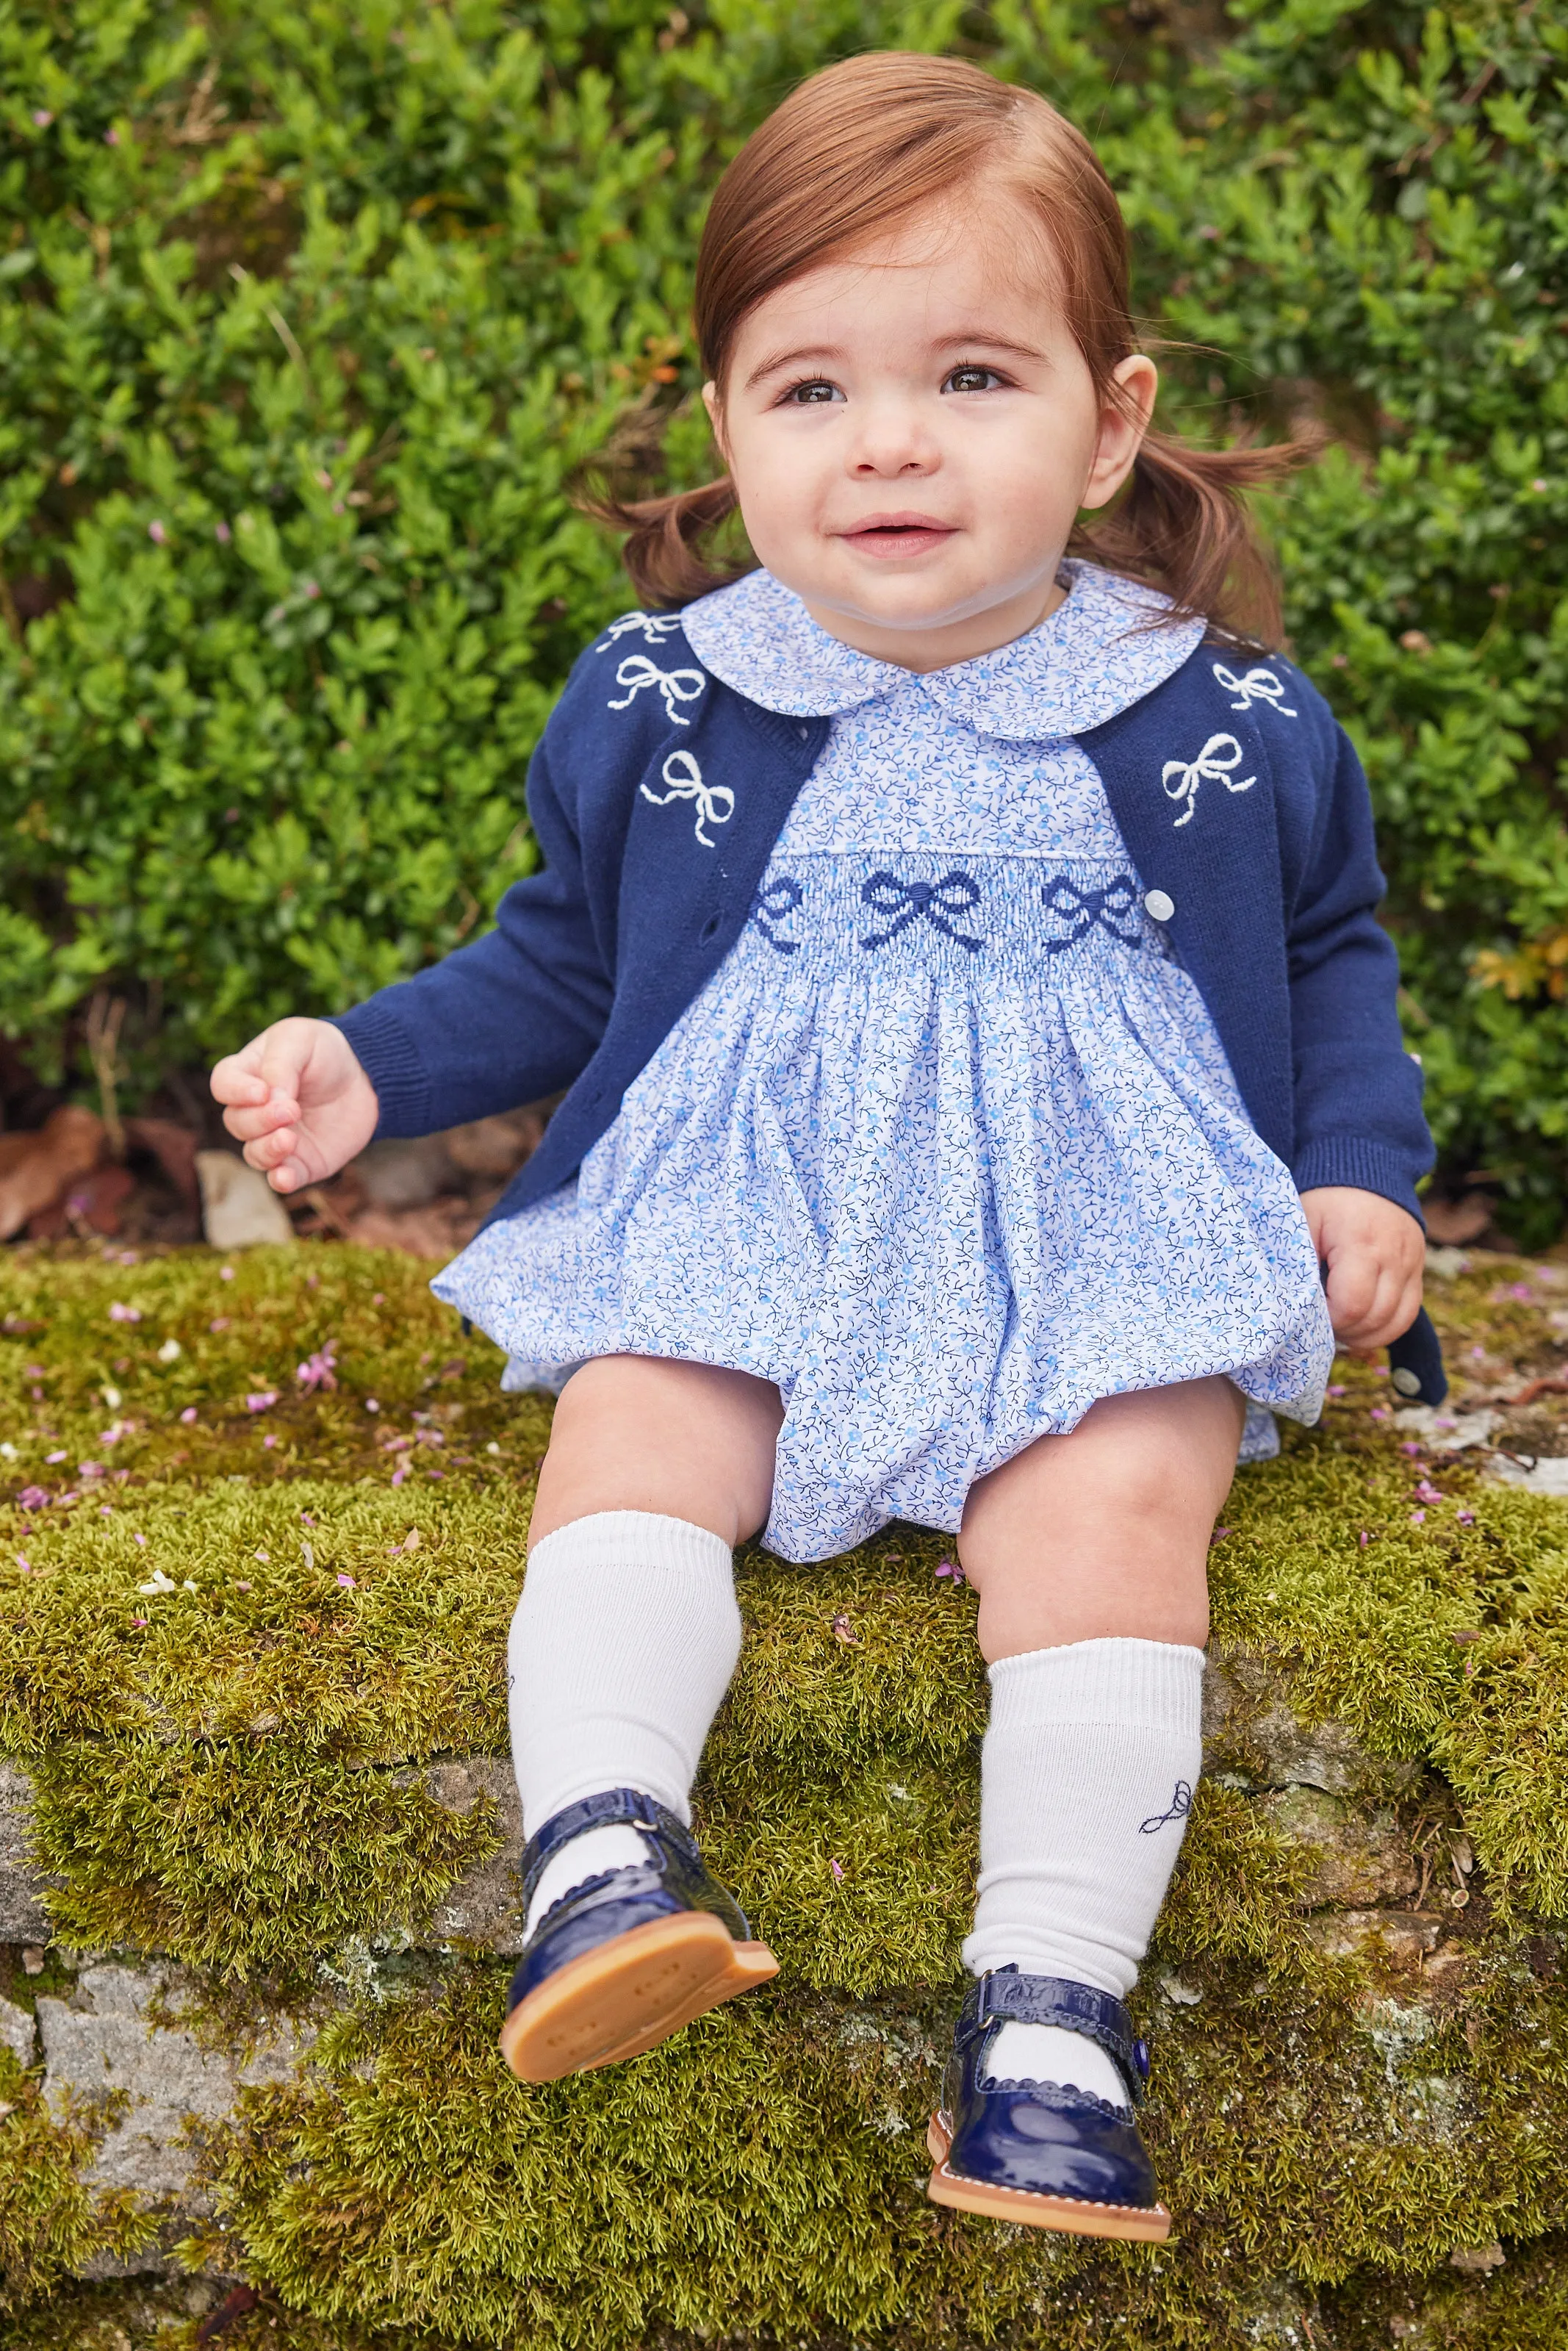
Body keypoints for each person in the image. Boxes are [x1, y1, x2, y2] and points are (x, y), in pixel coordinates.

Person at [212, 51, 1431, 2242]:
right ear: (724, 429)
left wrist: (1351, 1170)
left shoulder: (1221, 716)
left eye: (970, 374)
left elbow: (1331, 955)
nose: (887, 442)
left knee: (1117, 1501)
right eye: (809, 389)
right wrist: (370, 1069)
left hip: (1095, 1224)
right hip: (752, 1204)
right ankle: (600, 1857)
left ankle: (1049, 2014)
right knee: (633, 1415)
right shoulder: (666, 696)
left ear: (1112, 419)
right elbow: (558, 960)